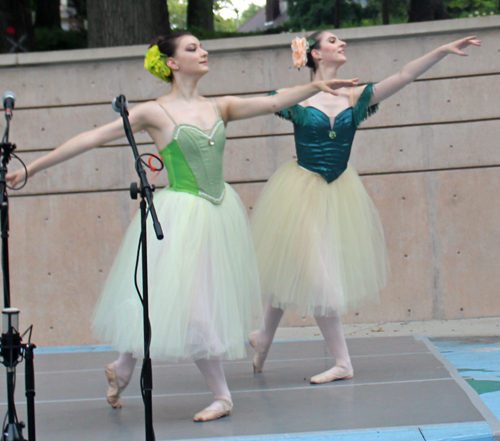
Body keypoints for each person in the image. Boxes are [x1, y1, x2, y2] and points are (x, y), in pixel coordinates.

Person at [7, 31, 357, 421]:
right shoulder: (153, 112)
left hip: (218, 213)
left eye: (201, 46)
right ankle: (221, 395)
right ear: (172, 63)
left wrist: (315, 85)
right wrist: (32, 169)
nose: (203, 51)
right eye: (193, 48)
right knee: (192, 308)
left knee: (172, 298)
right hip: (181, 216)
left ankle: (123, 365)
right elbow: (91, 139)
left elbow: (273, 101)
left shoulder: (219, 106)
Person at [249, 32, 481, 384]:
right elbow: (256, 104)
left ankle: (263, 337)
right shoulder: (295, 99)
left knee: (297, 266)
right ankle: (342, 361)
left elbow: (404, 75)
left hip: (338, 192)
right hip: (298, 193)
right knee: (318, 279)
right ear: (315, 53)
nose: (341, 43)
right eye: (332, 40)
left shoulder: (357, 97)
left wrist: (440, 51)